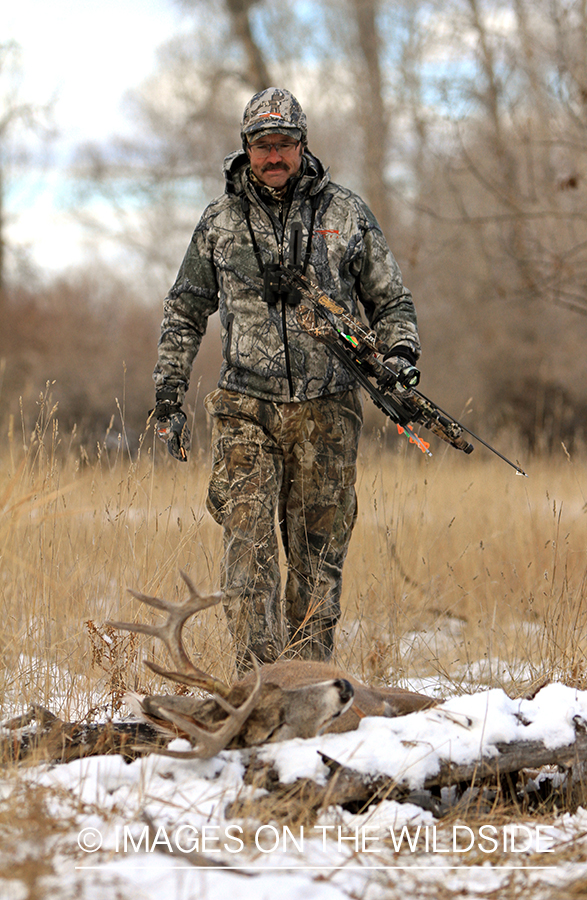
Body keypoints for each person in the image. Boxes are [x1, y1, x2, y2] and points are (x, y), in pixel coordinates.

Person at [152, 87, 420, 674]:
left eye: (284, 143)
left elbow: (392, 300)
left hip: (329, 410)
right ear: (245, 149)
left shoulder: (345, 214)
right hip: (244, 407)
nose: (274, 155)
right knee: (247, 551)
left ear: (303, 146)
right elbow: (185, 308)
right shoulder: (219, 222)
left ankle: (308, 688)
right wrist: (168, 394)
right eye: (261, 144)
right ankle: (257, 686)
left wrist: (400, 353)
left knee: (317, 559)